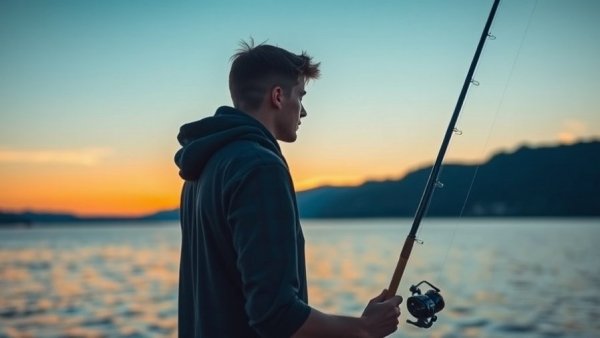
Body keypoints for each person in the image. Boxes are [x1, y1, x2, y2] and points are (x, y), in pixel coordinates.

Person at [174, 40, 403, 338]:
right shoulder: (260, 168)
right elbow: (276, 316)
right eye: (301, 95)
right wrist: (363, 329)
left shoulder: (202, 170)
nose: (304, 111)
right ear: (278, 96)